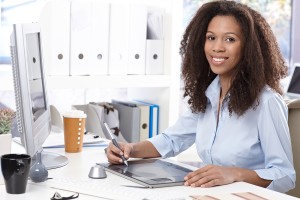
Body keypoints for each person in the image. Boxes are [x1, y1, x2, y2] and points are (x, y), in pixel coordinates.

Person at [106, 0, 296, 193]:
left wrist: (235, 173)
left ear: (248, 47)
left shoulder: (266, 102)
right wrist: (129, 149)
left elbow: (286, 176)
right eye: (211, 37)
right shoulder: (209, 94)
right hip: (209, 194)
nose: (217, 48)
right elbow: (172, 140)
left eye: (230, 39)